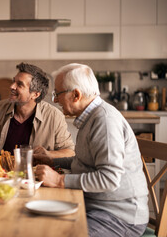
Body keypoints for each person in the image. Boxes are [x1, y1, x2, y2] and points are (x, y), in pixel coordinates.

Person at [35, 63, 148, 237]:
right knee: (41, 225)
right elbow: (84, 162)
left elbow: (109, 179)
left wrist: (60, 181)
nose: (55, 100)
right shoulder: (91, 118)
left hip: (119, 216)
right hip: (96, 206)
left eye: (57, 94)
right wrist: (51, 159)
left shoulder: (105, 121)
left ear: (76, 95)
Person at [0, 62, 75, 157]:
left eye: (19, 84)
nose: (12, 86)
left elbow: (70, 152)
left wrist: (48, 154)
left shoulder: (54, 116)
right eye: (13, 81)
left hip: (35, 175)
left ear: (35, 94)